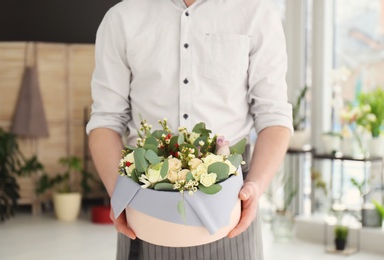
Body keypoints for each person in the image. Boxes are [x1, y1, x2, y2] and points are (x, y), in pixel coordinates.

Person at [86, 0, 293, 259]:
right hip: (146, 207)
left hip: (230, 205)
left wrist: (254, 187)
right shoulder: (122, 18)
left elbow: (274, 117)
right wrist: (122, 196)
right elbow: (105, 121)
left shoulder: (257, 14)